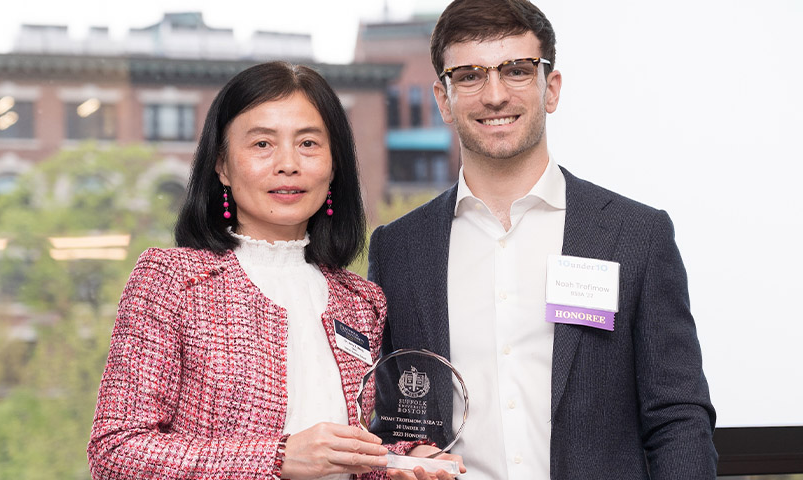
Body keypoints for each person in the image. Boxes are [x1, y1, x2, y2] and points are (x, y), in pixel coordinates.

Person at [368, 1, 718, 479]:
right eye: (469, 76)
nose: (494, 95)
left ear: (550, 89)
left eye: (515, 70)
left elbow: (678, 419)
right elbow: (388, 419)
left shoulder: (636, 235)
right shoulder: (398, 250)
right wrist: (402, 452)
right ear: (443, 99)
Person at [88, 61, 415, 480]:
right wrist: (276, 459)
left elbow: (347, 450)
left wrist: (403, 461)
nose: (288, 164)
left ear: (334, 166)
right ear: (222, 165)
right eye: (262, 144)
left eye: (309, 144)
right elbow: (116, 452)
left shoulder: (362, 301)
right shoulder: (173, 281)